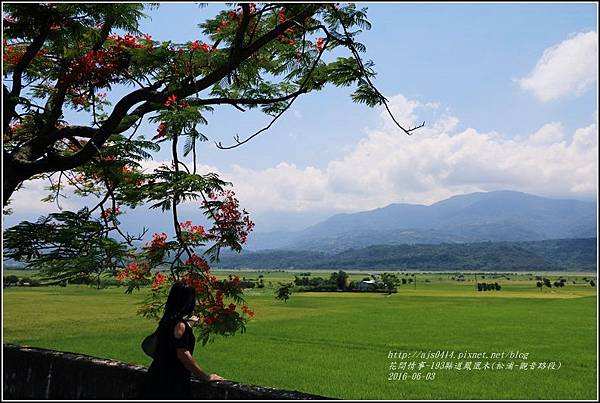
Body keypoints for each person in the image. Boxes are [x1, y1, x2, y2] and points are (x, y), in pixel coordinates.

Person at [141, 282, 223, 399]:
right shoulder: (180, 326)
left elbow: (175, 336)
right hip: (172, 383)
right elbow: (183, 355)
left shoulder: (166, 322)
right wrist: (205, 377)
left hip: (155, 377)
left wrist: (189, 324)